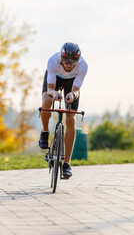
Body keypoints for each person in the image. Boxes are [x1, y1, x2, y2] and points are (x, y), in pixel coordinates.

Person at [39, 42, 88, 179]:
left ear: (77, 61)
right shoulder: (53, 61)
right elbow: (50, 89)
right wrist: (54, 94)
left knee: (71, 119)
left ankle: (67, 163)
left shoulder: (83, 66)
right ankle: (45, 131)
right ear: (61, 58)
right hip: (55, 79)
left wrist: (72, 95)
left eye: (72, 63)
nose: (68, 65)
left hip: (71, 83)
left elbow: (76, 90)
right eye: (66, 62)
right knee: (47, 101)